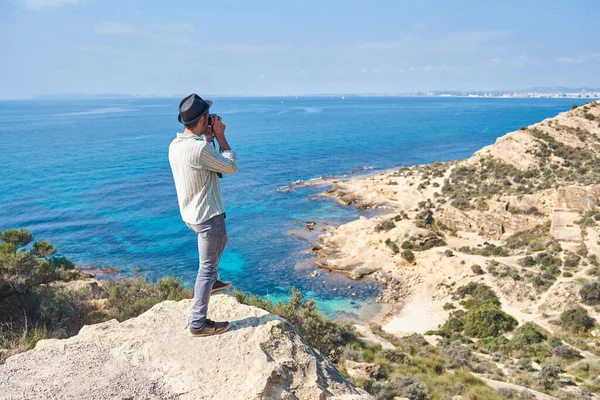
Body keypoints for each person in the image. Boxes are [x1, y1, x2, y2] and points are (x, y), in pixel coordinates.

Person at [168, 93, 238, 336]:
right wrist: (220, 137)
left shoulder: (176, 145)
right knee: (206, 269)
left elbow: (200, 161)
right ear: (203, 119)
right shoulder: (198, 149)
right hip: (209, 216)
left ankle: (212, 281)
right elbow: (230, 167)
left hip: (191, 214)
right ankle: (198, 324)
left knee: (222, 243)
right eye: (208, 117)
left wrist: (207, 139)